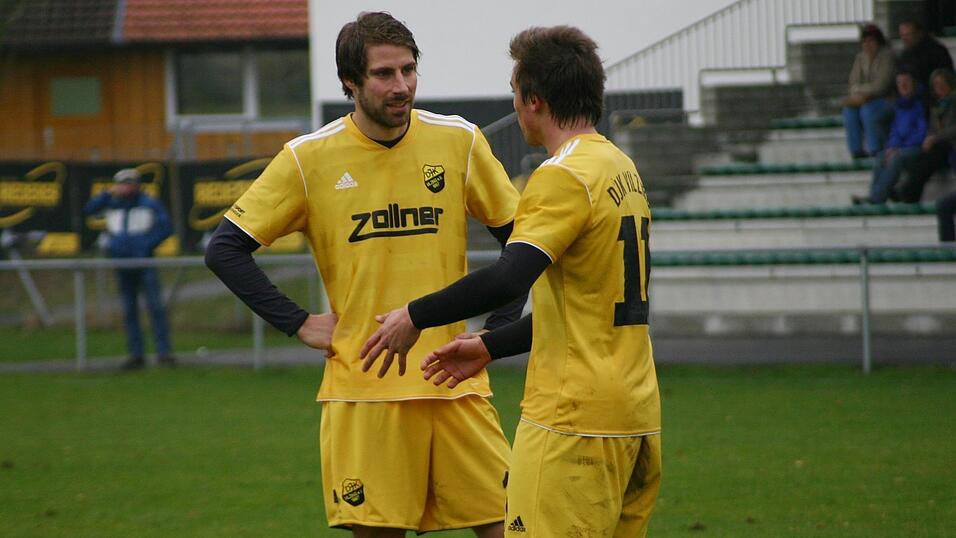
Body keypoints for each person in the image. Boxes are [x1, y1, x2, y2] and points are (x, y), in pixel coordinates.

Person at [204, 12, 522, 537]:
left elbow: (520, 245)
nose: (401, 87)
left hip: (454, 384)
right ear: (350, 81)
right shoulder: (308, 159)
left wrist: (495, 331)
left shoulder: (459, 141)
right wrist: (298, 321)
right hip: (365, 391)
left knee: (508, 528)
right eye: (384, 74)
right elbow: (226, 249)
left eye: (408, 70)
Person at [361, 25, 662, 537]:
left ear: (533, 101)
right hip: (635, 416)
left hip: (572, 422)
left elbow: (509, 277)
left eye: (515, 92)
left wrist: (415, 315)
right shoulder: (619, 167)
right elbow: (580, 309)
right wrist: (490, 345)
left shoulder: (562, 175)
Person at [84, 168, 174, 369]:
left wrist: (145, 245)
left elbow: (165, 227)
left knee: (155, 308)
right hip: (121, 263)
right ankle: (136, 354)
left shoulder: (148, 203)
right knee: (129, 310)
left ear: (137, 184)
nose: (126, 187)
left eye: (129, 183)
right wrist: (108, 193)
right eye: (122, 184)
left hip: (144, 263)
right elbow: (89, 209)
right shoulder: (112, 203)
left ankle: (164, 352)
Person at [853, 71, 928, 204]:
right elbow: (895, 131)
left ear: (913, 83)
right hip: (901, 148)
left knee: (895, 158)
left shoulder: (921, 104)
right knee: (881, 157)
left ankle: (877, 199)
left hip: (916, 148)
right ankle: (873, 194)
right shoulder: (899, 105)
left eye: (906, 82)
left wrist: (898, 149)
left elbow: (921, 133)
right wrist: (892, 147)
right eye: (900, 83)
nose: (903, 85)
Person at [896, 68, 956, 203]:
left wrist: (936, 137)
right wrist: (930, 138)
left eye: (942, 83)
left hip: (950, 145)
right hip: (939, 146)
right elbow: (931, 128)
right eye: (936, 84)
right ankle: (908, 192)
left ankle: (908, 192)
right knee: (920, 158)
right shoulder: (936, 106)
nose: (939, 87)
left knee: (929, 159)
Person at [842, 24, 896, 159]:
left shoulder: (888, 56)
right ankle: (856, 151)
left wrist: (861, 92)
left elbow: (882, 85)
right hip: (865, 99)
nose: (868, 45)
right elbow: (852, 83)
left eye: (871, 41)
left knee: (868, 111)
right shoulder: (860, 58)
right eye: (864, 41)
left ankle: (875, 149)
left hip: (887, 100)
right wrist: (860, 93)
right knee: (849, 111)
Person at [898, 19, 954, 96]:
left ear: (919, 34)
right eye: (902, 35)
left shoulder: (936, 51)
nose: (904, 38)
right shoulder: (905, 54)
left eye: (908, 34)